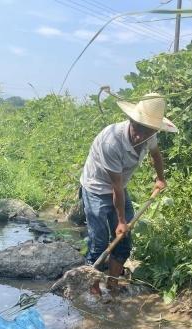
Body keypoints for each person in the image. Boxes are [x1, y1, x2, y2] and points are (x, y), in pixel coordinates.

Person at [80, 92, 178, 294]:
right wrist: (121, 221)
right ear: (131, 119)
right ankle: (93, 289)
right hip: (96, 188)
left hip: (119, 188)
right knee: (99, 242)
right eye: (138, 128)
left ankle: (113, 283)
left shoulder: (150, 134)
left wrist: (160, 178)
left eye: (147, 131)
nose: (140, 135)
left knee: (123, 241)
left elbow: (156, 155)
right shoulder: (112, 141)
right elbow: (115, 187)